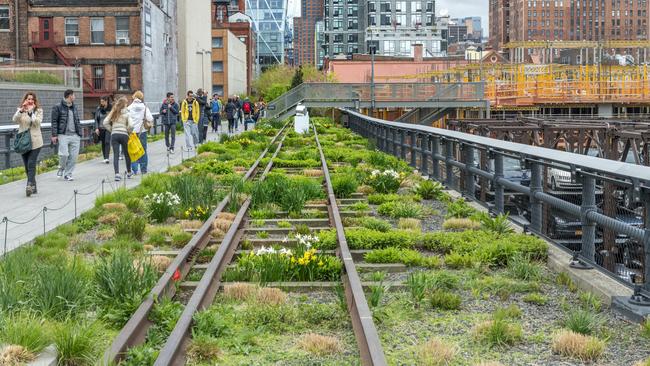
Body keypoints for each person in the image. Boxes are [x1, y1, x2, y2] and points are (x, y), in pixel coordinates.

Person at [13, 92, 43, 197]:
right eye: (28, 99)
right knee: (26, 166)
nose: (30, 101)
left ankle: (29, 185)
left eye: (32, 99)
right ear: (25, 100)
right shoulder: (21, 111)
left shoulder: (39, 111)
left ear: (35, 101)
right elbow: (15, 119)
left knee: (31, 164)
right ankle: (33, 186)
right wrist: (21, 110)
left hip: (35, 142)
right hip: (23, 142)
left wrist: (31, 113)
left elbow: (37, 123)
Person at [51, 89, 82, 181]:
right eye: (74, 95)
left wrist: (79, 133)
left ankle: (68, 174)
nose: (75, 97)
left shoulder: (74, 107)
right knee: (64, 154)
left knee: (73, 157)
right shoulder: (57, 107)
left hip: (75, 135)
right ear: (69, 96)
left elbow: (77, 120)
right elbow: (54, 122)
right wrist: (54, 135)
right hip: (63, 134)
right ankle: (61, 167)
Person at [103, 96, 134, 181]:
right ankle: (129, 172)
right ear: (125, 104)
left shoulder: (113, 111)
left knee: (116, 154)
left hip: (114, 135)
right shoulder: (127, 113)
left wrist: (112, 129)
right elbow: (131, 125)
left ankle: (117, 174)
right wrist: (128, 131)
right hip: (124, 135)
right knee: (127, 154)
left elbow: (105, 122)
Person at [128, 90, 154, 175]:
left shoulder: (129, 107)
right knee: (143, 150)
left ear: (134, 97)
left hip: (132, 133)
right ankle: (143, 169)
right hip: (142, 131)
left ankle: (134, 170)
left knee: (133, 150)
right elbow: (150, 118)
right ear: (141, 97)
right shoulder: (144, 107)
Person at [95, 96, 112, 164]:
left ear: (106, 101)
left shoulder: (111, 108)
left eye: (103, 102)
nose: (101, 103)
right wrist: (96, 128)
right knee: (103, 143)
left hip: (108, 128)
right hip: (101, 128)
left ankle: (107, 158)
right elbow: (96, 119)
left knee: (107, 142)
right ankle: (105, 157)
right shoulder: (98, 109)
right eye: (101, 102)